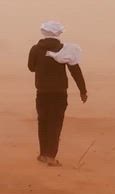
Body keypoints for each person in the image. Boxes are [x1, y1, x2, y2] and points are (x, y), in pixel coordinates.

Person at [28, 21, 88, 166]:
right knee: (55, 123)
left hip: (42, 92)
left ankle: (43, 154)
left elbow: (31, 67)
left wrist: (43, 67)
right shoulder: (65, 50)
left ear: (43, 32)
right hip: (59, 93)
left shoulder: (35, 49)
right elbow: (75, 71)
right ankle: (51, 156)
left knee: (43, 122)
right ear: (59, 33)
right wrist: (83, 91)